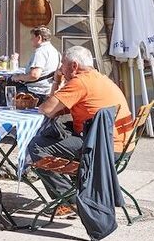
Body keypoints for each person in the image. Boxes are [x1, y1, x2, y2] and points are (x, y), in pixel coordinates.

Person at [28, 46, 132, 217]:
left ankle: (69, 201)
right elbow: (59, 109)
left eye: (63, 64)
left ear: (74, 66)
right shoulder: (99, 77)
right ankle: (74, 193)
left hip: (103, 149)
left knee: (37, 145)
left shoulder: (80, 82)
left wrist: (56, 82)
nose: (61, 68)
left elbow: (47, 109)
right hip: (119, 146)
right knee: (59, 134)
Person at [5, 26, 61, 100]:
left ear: (39, 38)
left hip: (36, 91)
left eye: (32, 37)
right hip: (47, 89)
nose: (31, 39)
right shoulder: (54, 51)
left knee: (8, 91)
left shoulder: (40, 52)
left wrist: (18, 77)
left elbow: (34, 75)